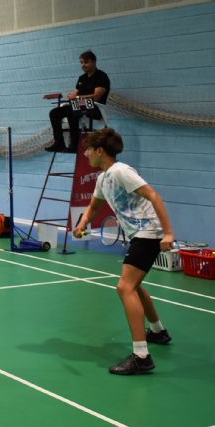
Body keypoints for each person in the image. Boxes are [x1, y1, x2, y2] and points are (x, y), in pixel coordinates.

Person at [72, 128, 174, 375]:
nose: (85, 154)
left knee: (124, 287)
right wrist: (83, 222)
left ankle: (141, 356)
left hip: (148, 234)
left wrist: (168, 233)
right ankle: (158, 332)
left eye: (88, 149)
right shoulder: (103, 178)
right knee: (134, 286)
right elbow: (93, 206)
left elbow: (153, 195)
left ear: (99, 150)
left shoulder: (121, 171)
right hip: (139, 235)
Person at [46, 50, 110, 153]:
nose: (83, 65)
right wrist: (71, 96)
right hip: (79, 104)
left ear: (94, 62)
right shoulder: (82, 78)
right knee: (54, 113)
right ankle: (59, 143)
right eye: (81, 62)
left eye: (86, 62)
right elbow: (75, 94)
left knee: (72, 109)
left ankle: (74, 145)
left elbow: (96, 97)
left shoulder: (101, 76)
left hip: (95, 106)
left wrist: (77, 98)